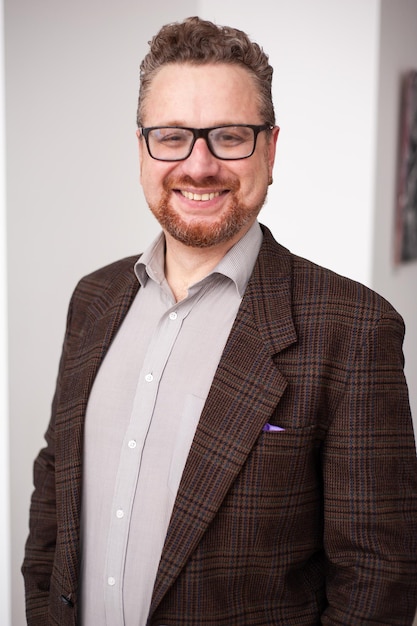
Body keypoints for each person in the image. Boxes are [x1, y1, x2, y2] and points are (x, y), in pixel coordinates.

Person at [22, 15, 417, 626]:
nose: (199, 165)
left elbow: (377, 583)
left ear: (271, 148)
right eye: (173, 136)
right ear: (142, 149)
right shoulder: (93, 299)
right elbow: (54, 494)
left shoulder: (354, 327)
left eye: (230, 136)